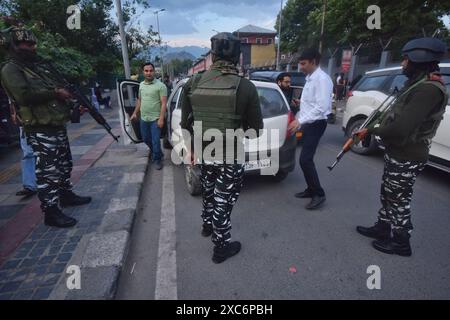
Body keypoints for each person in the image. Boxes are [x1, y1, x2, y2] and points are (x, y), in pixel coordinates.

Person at [355, 37, 448, 257]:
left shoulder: (428, 90)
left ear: (419, 58)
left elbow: (401, 129)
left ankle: (401, 242)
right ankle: (383, 227)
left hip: (408, 153)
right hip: (398, 151)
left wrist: (370, 131)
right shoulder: (416, 83)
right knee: (388, 191)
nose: (403, 63)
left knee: (398, 198)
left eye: (406, 59)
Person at [180, 32, 263, 263]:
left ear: (213, 55)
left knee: (208, 191)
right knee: (223, 200)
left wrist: (191, 149)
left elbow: (185, 122)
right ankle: (221, 248)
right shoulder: (246, 87)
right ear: (237, 57)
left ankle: (207, 226)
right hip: (230, 153)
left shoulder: (193, 82)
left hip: (205, 150)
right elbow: (256, 130)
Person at [0, 27, 92, 228]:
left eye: (33, 44)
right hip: (39, 127)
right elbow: (23, 96)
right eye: (28, 44)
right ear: (14, 46)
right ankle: (51, 211)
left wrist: (70, 105)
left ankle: (65, 194)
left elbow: (54, 92)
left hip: (55, 123)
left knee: (64, 164)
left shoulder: (36, 68)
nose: (33, 47)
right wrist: (56, 93)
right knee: (48, 170)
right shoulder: (11, 70)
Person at [288, 48, 333, 210]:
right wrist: (298, 117)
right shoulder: (310, 78)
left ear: (314, 61)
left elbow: (321, 107)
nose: (301, 67)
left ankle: (319, 194)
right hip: (308, 122)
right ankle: (310, 189)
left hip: (316, 124)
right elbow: (309, 105)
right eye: (300, 63)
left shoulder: (322, 79)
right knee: (306, 159)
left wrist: (300, 121)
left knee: (305, 159)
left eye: (303, 63)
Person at [130, 62, 167, 170]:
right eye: (146, 71)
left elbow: (164, 103)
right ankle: (158, 153)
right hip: (144, 118)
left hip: (155, 119)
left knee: (155, 141)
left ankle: (157, 159)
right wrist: (134, 113)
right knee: (145, 139)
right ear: (143, 72)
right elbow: (139, 101)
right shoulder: (141, 85)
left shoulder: (161, 86)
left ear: (154, 71)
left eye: (151, 70)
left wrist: (161, 119)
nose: (149, 73)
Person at [9, 100, 37, 197]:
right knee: (28, 153)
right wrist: (14, 113)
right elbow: (12, 100)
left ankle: (54, 181)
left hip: (42, 120)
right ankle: (30, 185)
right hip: (24, 123)